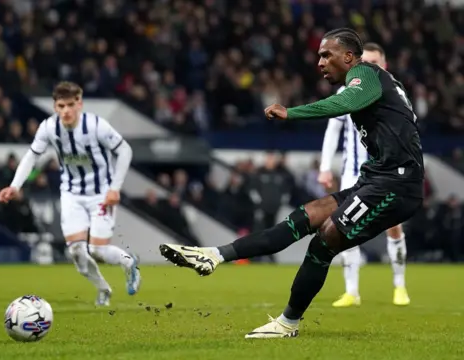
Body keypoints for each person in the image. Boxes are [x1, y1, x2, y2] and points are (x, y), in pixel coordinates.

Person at [159, 28, 423, 339]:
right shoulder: (380, 83)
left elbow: (343, 104)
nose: (320, 62)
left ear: (349, 57)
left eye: (327, 55)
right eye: (319, 56)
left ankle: (288, 323)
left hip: (396, 184)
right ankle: (214, 256)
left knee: (325, 239)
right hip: (376, 177)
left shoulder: (366, 73)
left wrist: (291, 113)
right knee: (305, 216)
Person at [0, 81, 141, 306]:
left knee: (97, 250)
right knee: (76, 252)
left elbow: (125, 150)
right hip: (72, 194)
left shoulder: (96, 126)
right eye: (61, 105)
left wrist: (115, 188)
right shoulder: (48, 127)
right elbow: (31, 156)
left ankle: (128, 263)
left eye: (70, 105)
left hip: (101, 194)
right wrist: (15, 186)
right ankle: (103, 289)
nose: (66, 111)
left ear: (80, 104)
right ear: (55, 106)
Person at [318, 42, 410, 307]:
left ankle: (400, 286)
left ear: (384, 65)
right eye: (365, 62)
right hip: (353, 174)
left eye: (375, 63)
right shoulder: (348, 91)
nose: (370, 67)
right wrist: (325, 167)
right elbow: (332, 130)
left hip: (389, 172)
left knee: (393, 227)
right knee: (343, 228)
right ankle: (351, 291)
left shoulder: (394, 92)